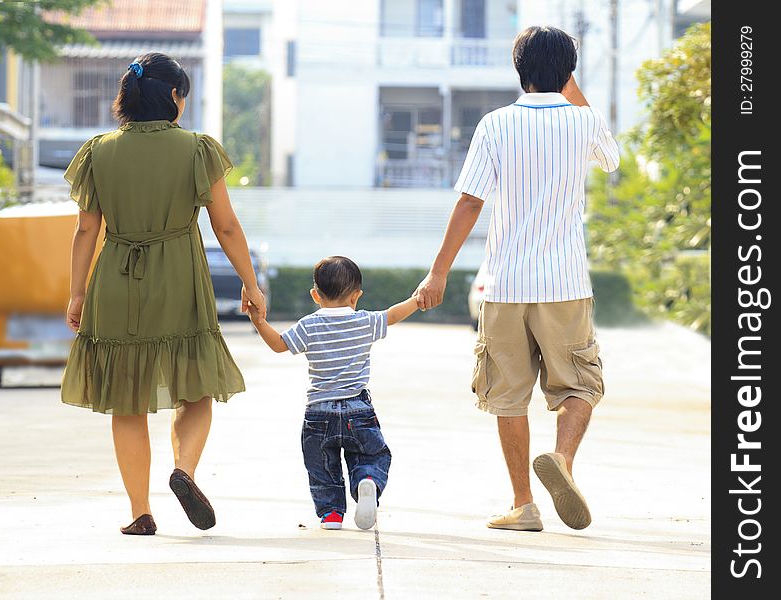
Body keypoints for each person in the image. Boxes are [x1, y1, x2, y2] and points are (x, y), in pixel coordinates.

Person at [414, 26, 620, 531]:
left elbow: (469, 202)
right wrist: (571, 89)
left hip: (504, 284)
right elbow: (612, 161)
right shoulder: (584, 122)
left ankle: (524, 504)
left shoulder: (494, 124)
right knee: (580, 385)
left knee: (508, 395)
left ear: (518, 70)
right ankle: (564, 462)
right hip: (565, 283)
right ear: (568, 73)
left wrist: (438, 272)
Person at [61, 52, 267, 535]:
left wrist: (76, 294)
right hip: (179, 273)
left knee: (124, 399)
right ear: (174, 97)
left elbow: (85, 230)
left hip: (116, 277)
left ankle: (140, 513)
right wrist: (251, 285)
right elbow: (228, 226)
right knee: (194, 387)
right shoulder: (197, 149)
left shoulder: (98, 150)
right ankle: (185, 470)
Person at [248, 256, 418, 530]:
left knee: (322, 469)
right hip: (358, 409)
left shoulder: (308, 326)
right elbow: (393, 314)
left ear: (315, 295)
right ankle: (368, 481)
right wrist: (417, 299)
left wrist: (259, 321)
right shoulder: (365, 322)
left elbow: (279, 345)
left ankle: (331, 515)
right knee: (372, 455)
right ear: (356, 296)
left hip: (318, 413)